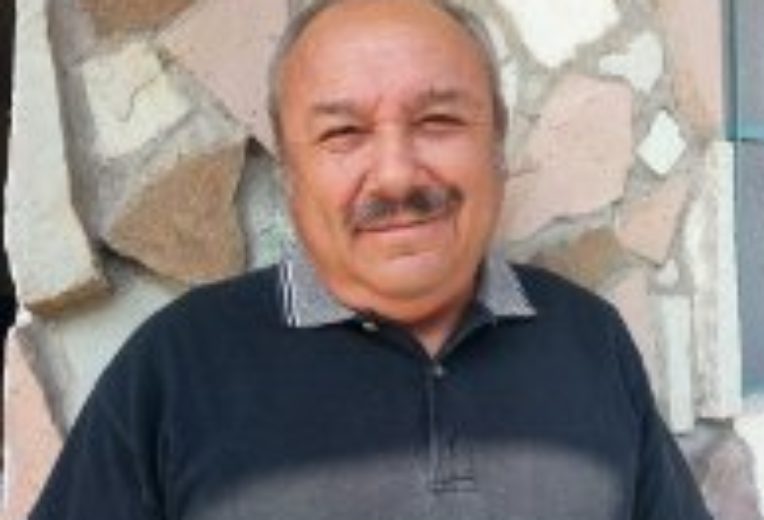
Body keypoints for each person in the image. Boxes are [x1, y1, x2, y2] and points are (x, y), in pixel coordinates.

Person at [30, 0, 712, 518]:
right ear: (290, 173)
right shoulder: (177, 369)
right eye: (344, 133)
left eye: (438, 121)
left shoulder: (590, 342)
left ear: (496, 147)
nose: (396, 175)